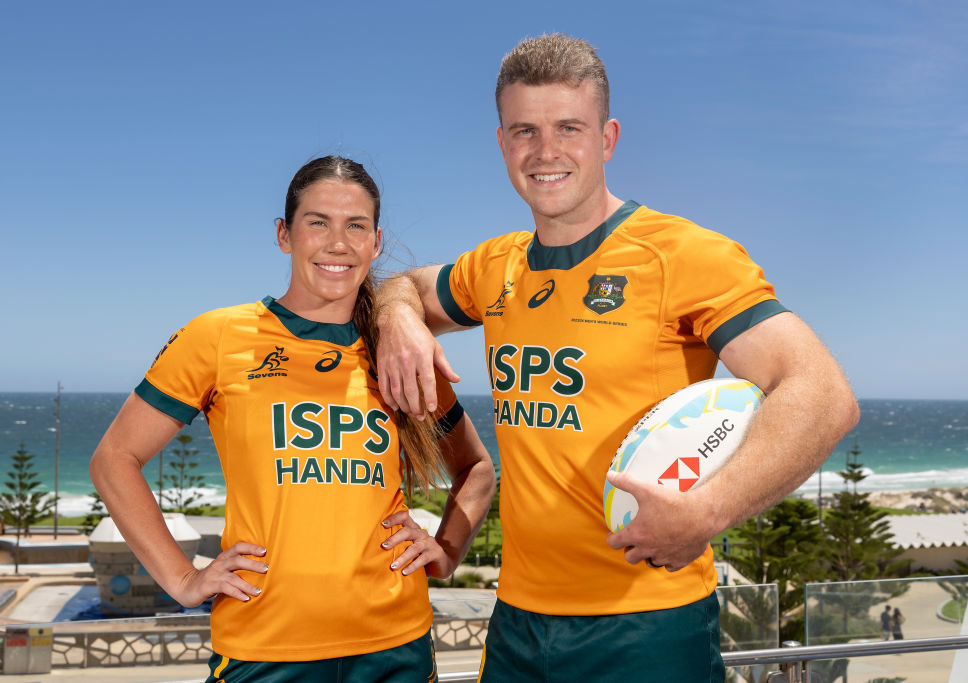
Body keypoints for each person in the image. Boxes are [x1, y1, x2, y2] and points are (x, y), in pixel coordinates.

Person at [374, 34, 859, 681]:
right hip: (518, 621)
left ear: (607, 139)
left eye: (568, 128)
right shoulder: (495, 266)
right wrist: (398, 317)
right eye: (524, 131)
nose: (545, 151)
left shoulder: (682, 255)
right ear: (502, 144)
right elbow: (401, 284)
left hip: (647, 621)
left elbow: (821, 393)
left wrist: (708, 512)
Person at [90, 156, 496, 682]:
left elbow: (476, 469)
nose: (338, 243)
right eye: (317, 222)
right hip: (264, 649)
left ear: (376, 242)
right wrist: (183, 579)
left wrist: (445, 551)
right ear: (284, 234)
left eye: (356, 226)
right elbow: (114, 459)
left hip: (396, 646)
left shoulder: (399, 352)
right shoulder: (218, 337)